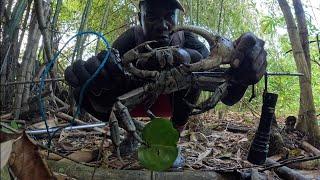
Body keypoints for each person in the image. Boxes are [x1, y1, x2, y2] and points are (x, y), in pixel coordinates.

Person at [65, 0, 267, 166]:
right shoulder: (130, 38)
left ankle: (172, 139)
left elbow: (226, 91)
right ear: (139, 19)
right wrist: (95, 82)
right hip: (136, 100)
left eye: (169, 16)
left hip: (172, 103)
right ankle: (131, 136)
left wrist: (241, 74)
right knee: (86, 88)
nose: (162, 25)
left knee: (195, 75)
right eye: (151, 16)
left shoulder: (189, 39)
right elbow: (107, 74)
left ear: (179, 18)